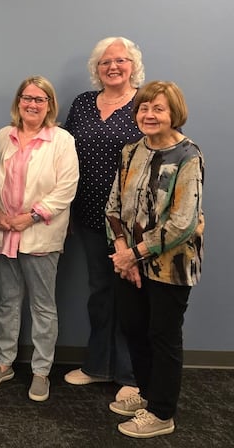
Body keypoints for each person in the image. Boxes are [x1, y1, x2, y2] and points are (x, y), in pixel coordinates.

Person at [106, 81, 204, 439]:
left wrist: (134, 254)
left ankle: (162, 413)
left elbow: (183, 221)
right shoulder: (131, 150)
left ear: (173, 113)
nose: (149, 115)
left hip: (171, 265)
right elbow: (113, 206)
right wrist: (123, 252)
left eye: (158, 109)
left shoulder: (188, 155)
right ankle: (146, 394)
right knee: (134, 328)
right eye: (144, 108)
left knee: (163, 336)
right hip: (129, 262)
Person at [0, 76, 79, 402]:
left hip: (40, 235)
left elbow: (66, 188)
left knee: (43, 306)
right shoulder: (2, 137)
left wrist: (32, 215)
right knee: (8, 302)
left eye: (39, 99)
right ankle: (5, 363)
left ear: (49, 105)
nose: (32, 104)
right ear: (18, 102)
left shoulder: (61, 140)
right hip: (5, 232)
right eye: (27, 98)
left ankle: (40, 371)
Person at [63, 37, 144, 401]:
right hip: (90, 216)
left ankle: (131, 373)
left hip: (134, 221)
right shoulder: (82, 104)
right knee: (100, 293)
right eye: (105, 62)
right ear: (97, 69)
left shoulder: (144, 103)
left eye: (120, 60)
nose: (113, 67)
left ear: (133, 65)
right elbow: (64, 153)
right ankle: (98, 366)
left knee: (131, 294)